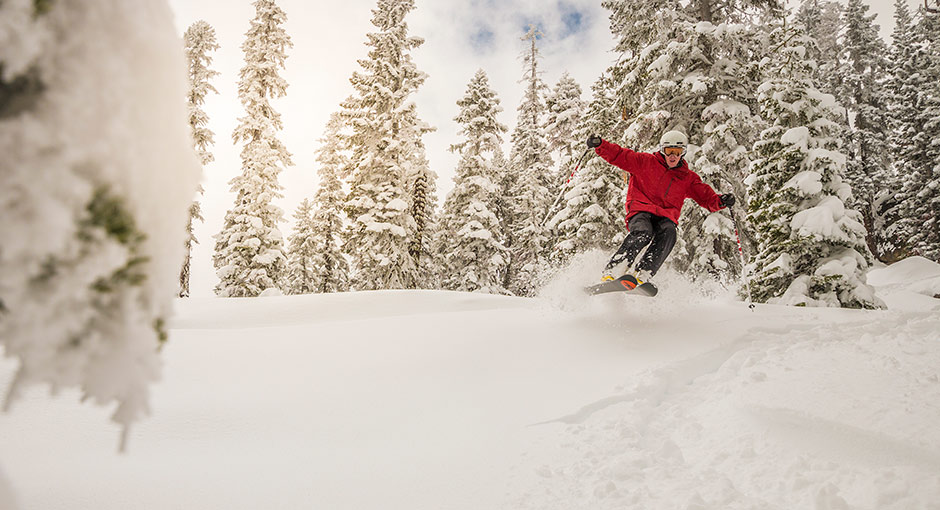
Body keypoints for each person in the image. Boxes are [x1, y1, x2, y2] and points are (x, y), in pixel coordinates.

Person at [586, 130, 735, 284]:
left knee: (669, 233)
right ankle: (614, 269)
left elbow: (705, 197)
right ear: (662, 150)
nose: (673, 156)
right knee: (643, 232)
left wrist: (721, 201)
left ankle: (643, 273)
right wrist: (601, 145)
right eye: (669, 151)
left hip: (665, 216)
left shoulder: (687, 178)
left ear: (682, 153)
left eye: (677, 152)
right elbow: (620, 155)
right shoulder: (645, 162)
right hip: (641, 210)